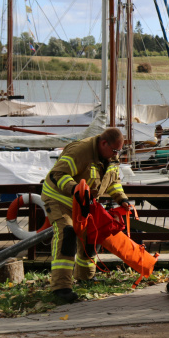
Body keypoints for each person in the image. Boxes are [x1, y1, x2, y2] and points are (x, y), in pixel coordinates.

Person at [41, 127, 132, 302]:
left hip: (83, 203)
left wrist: (122, 199)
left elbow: (113, 181)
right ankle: (61, 288)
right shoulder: (80, 151)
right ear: (103, 143)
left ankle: (86, 276)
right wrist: (74, 189)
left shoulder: (111, 156)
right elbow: (57, 174)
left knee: (93, 235)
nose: (116, 155)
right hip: (59, 199)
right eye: (114, 150)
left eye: (119, 151)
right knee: (67, 234)